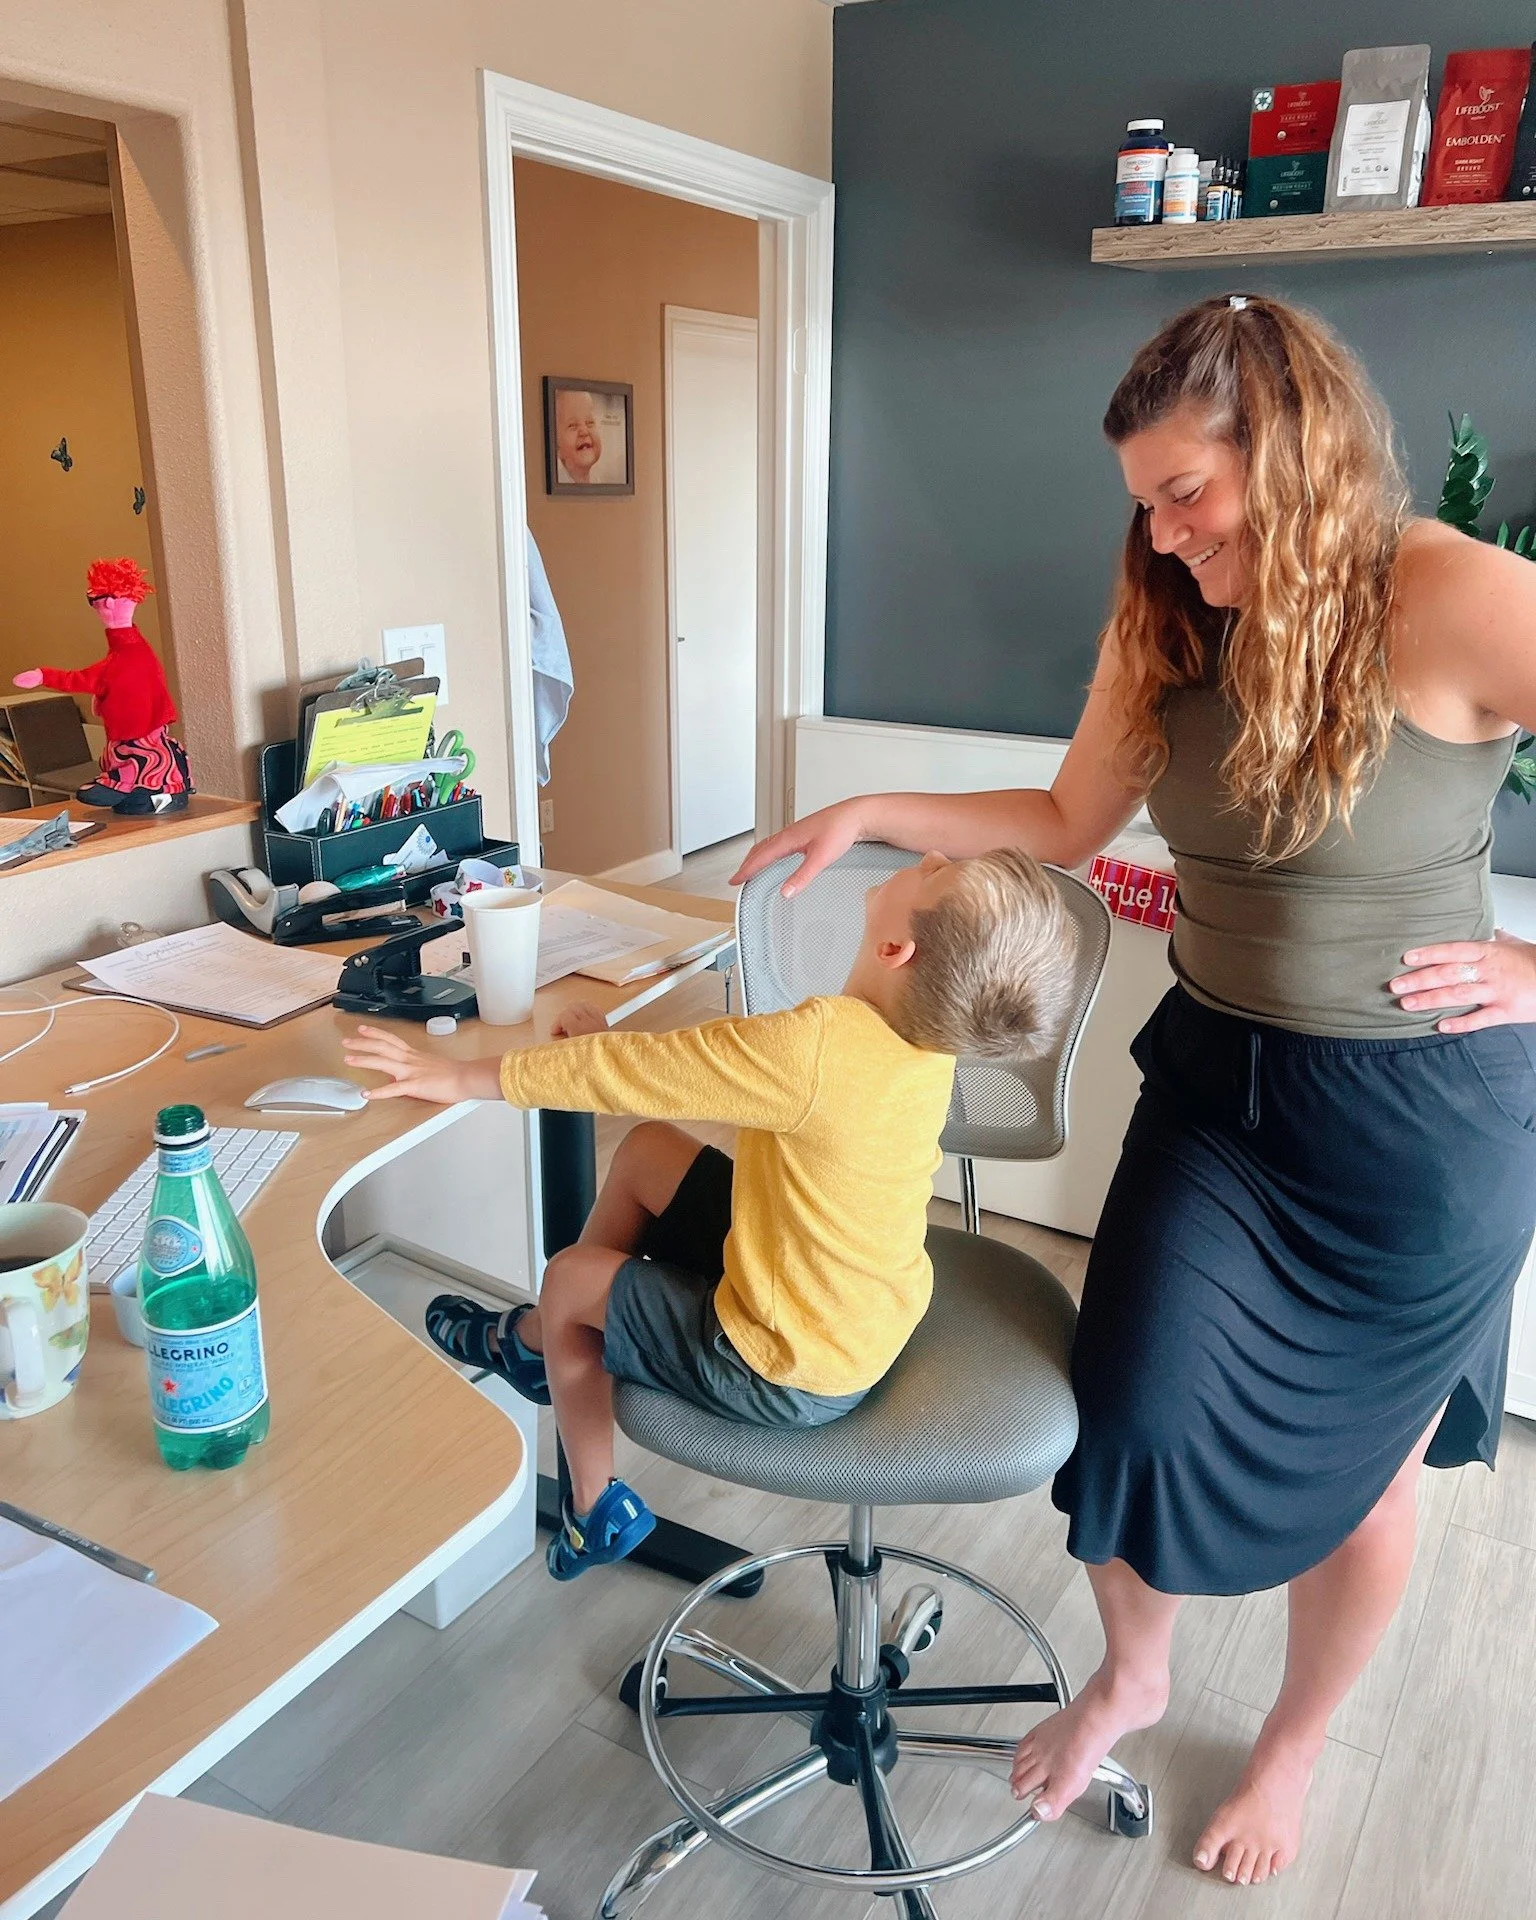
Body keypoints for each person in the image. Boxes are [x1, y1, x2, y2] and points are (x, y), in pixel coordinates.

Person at [734, 293, 1536, 1888]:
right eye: (1145, 501)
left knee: (1366, 1479)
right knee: (1125, 1413)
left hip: (1412, 1136)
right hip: (1220, 1095)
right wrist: (875, 806)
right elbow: (1065, 810)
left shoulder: (1448, 594)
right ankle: (1139, 1670)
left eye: (1190, 492)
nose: (1166, 534)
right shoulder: (1164, 619)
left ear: (1294, 452)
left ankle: (1293, 1747)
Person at [344, 847, 1077, 1579]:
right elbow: (684, 1072)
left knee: (570, 1279)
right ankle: (543, 1349)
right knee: (648, 1153)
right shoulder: (924, 1040)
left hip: (785, 1364)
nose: (932, 852)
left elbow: (646, 1074)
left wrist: (459, 1077)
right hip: (841, 1295)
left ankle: (590, 1508)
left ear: (895, 949)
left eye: (935, 871)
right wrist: (612, 1049)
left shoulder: (816, 1046)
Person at [554, 388, 603, 484]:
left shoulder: (599, 481)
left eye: (590, 423)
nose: (584, 432)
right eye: (572, 425)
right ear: (556, 446)